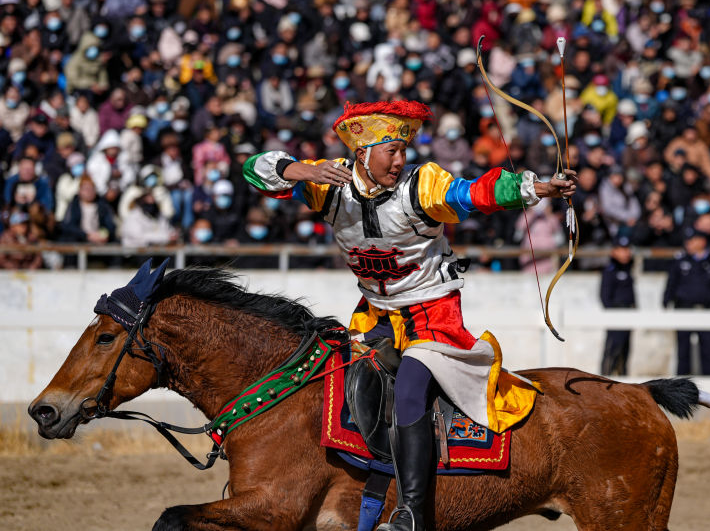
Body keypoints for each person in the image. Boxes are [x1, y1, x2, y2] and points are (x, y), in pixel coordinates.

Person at [243, 100, 576, 531]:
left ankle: (413, 516)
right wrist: (300, 171)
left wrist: (536, 189)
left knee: (411, 388)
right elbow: (254, 168)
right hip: (374, 319)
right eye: (391, 151)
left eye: (403, 151)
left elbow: (474, 193)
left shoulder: (421, 186)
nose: (400, 160)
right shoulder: (329, 185)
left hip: (433, 318)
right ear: (362, 154)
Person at [663, 229, 710, 376]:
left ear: (702, 241)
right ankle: (681, 387)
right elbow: (671, 283)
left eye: (692, 240)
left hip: (707, 310)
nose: (688, 244)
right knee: (683, 349)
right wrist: (666, 301)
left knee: (709, 349)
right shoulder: (680, 261)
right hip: (684, 308)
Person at [599, 236, 636, 376]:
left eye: (627, 249)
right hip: (616, 315)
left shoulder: (628, 269)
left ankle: (623, 379)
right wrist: (612, 315)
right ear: (614, 251)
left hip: (629, 315)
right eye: (621, 250)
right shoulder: (610, 271)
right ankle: (606, 378)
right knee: (612, 350)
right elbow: (605, 296)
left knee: (625, 352)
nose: (625, 253)